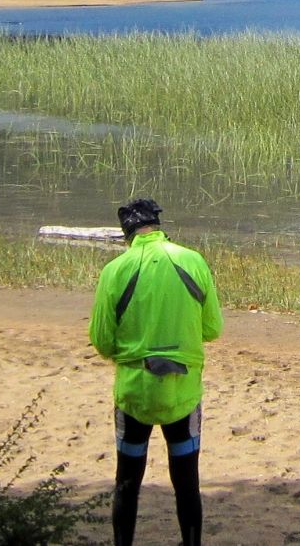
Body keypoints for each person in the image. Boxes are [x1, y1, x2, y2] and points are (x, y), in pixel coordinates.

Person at [89, 198, 223, 546]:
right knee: (187, 482)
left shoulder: (115, 270)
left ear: (127, 235)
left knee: (127, 482)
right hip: (182, 392)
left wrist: (133, 353)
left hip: (135, 392)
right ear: (158, 226)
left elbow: (101, 340)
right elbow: (213, 329)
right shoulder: (192, 261)